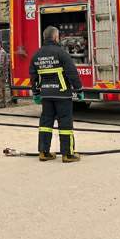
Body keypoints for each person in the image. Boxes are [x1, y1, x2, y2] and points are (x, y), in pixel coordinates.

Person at [30, 26, 83, 163]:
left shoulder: (37, 55)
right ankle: (67, 154)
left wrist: (36, 93)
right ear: (55, 37)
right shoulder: (61, 53)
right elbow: (72, 73)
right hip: (62, 94)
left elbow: (33, 76)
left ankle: (44, 152)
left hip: (46, 95)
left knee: (45, 123)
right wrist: (79, 90)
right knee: (65, 123)